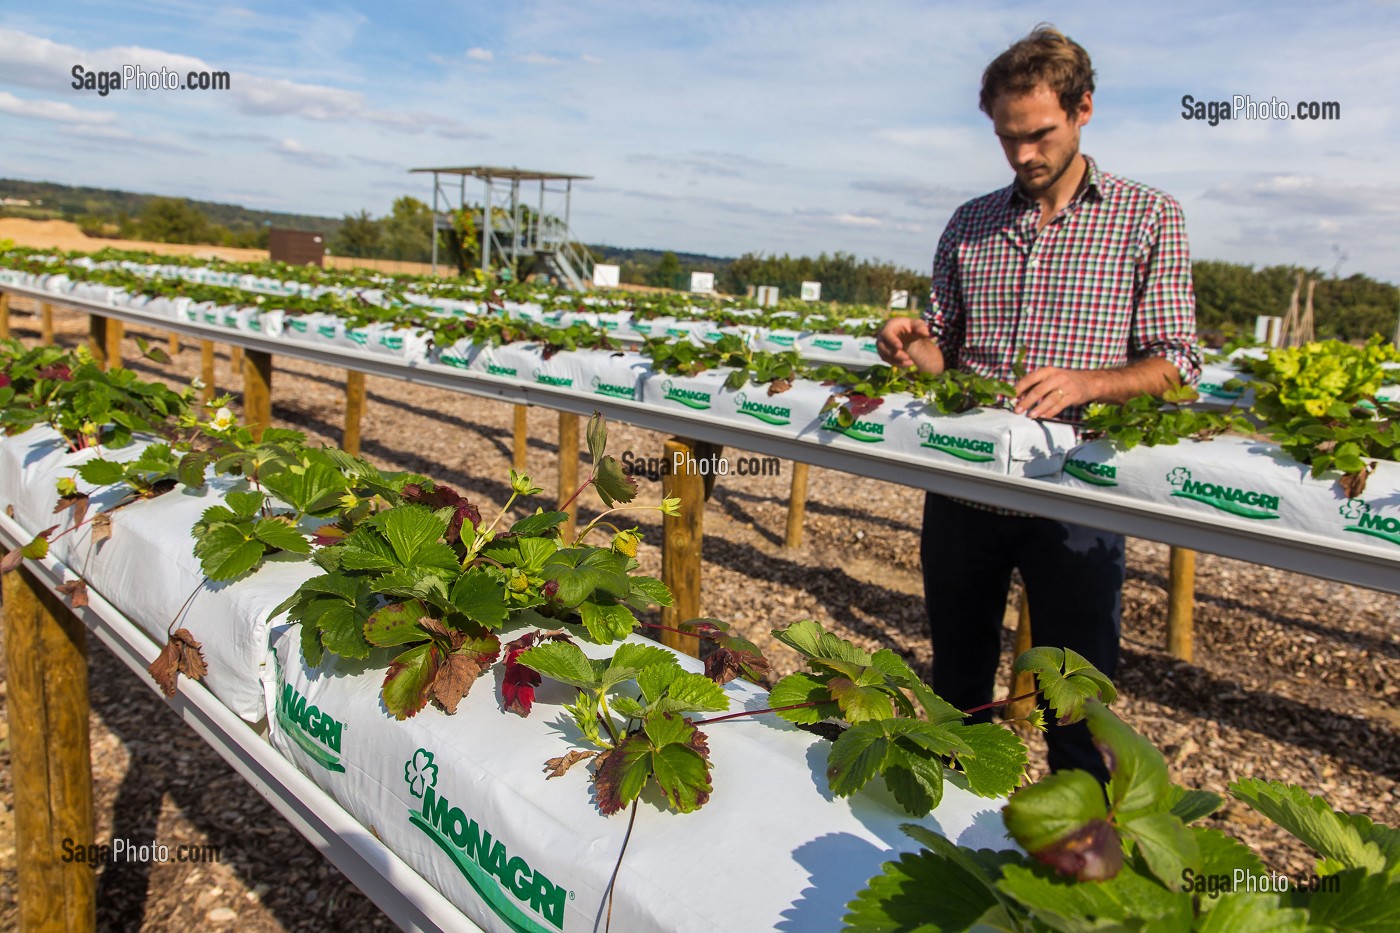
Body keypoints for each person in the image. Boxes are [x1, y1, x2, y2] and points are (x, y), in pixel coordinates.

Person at [876, 25, 1201, 781]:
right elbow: (944, 360)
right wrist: (909, 345)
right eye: (1006, 138)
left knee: (1077, 704)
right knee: (954, 685)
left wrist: (1089, 383)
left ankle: (1070, 866)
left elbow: (1178, 364)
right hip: (966, 488)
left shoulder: (1146, 217)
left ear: (1084, 109)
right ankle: (946, 839)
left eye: (1039, 134)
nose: (1024, 155)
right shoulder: (970, 223)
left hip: (1076, 497)